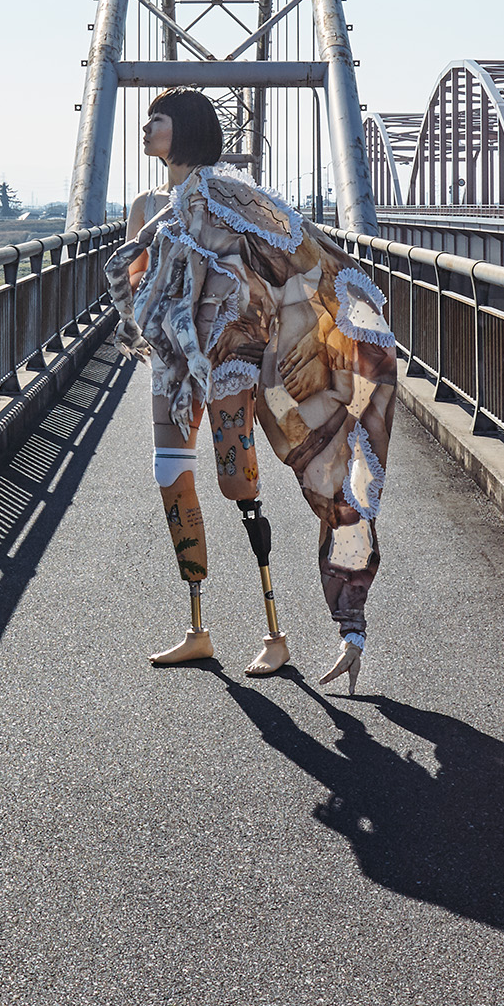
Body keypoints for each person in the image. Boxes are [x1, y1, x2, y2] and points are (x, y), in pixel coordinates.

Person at [106, 88, 397, 692]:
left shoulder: (231, 196)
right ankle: (197, 625)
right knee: (169, 474)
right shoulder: (145, 207)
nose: (144, 128)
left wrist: (349, 305)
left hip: (231, 362)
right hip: (173, 366)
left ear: (183, 130)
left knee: (235, 481)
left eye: (155, 120)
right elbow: (137, 292)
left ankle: (276, 634)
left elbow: (298, 249)